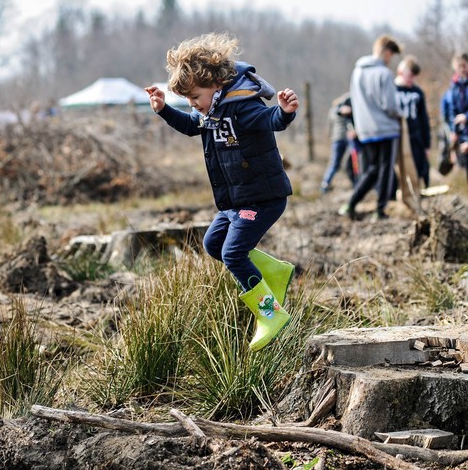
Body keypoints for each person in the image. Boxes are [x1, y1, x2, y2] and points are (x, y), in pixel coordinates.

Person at [145, 32, 299, 351]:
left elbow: (271, 119)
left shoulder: (242, 106)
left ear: (215, 83)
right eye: (188, 101)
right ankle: (273, 271)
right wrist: (162, 109)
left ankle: (270, 313)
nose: (193, 106)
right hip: (235, 201)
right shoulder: (209, 113)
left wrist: (284, 111)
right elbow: (190, 126)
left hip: (262, 197)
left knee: (233, 253)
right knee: (214, 244)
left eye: (195, 98)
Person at [338, 34, 402, 221]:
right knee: (385, 170)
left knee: (373, 169)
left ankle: (351, 203)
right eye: (391, 56)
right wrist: (399, 113)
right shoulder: (384, 73)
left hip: (366, 130)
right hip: (386, 129)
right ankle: (379, 211)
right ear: (386, 52)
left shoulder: (357, 71)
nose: (390, 60)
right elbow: (390, 106)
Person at [394, 55, 431, 188]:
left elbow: (424, 119)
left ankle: (417, 191)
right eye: (409, 76)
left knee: (418, 166)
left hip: (415, 137)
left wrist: (427, 144)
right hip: (396, 136)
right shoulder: (391, 89)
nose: (412, 80)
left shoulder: (417, 92)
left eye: (414, 77)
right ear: (400, 72)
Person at [320, 93, 359, 193]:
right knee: (350, 161)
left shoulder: (332, 111)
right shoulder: (342, 109)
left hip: (336, 139)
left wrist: (329, 137)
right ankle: (355, 183)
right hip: (344, 137)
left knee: (336, 162)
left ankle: (325, 184)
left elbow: (329, 126)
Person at [441, 52, 468, 182]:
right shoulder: (454, 88)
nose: (462, 69)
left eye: (464, 65)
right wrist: (453, 131)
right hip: (462, 135)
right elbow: (451, 111)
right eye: (459, 67)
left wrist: (466, 117)